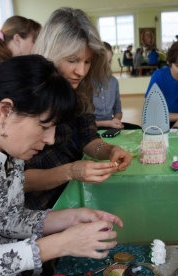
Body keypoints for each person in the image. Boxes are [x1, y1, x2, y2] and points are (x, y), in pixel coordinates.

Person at [0, 54, 123, 276]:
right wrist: (61, 243)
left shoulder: (5, 143)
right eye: (44, 126)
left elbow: (6, 218)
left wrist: (70, 218)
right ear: (5, 111)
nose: (50, 140)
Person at [25, 7, 132, 210]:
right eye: (72, 60)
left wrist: (110, 150)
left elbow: (88, 138)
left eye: (88, 61)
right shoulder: (27, 93)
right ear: (52, 53)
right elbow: (19, 181)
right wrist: (71, 171)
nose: (81, 71)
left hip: (70, 190)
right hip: (38, 206)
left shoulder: (80, 89)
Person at [0, 15, 41, 89]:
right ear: (17, 40)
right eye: (35, 41)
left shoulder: (0, 65)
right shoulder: (2, 73)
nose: (37, 48)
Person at [93, 42, 141, 130]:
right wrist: (108, 123)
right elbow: (83, 123)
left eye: (110, 61)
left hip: (110, 124)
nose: (107, 66)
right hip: (93, 128)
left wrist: (116, 120)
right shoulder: (87, 83)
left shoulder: (113, 81)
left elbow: (118, 110)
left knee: (138, 129)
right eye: (103, 62)